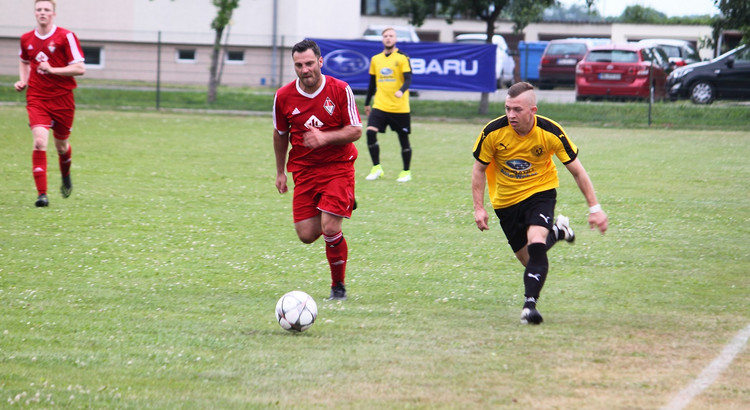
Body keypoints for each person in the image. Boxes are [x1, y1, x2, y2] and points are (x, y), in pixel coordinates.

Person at [471, 82, 608, 325]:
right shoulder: (492, 132)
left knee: (536, 245)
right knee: (528, 260)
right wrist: (479, 208)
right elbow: (479, 169)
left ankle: (529, 307)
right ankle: (558, 231)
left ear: (532, 110)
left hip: (540, 193)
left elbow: (577, 171)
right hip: (505, 202)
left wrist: (594, 208)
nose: (511, 115)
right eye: (507, 108)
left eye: (517, 110)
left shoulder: (550, 132)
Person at [272, 39, 362, 301]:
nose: (305, 69)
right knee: (306, 235)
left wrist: (324, 138)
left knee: (330, 227)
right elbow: (280, 134)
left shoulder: (340, 89)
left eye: (310, 63)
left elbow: (355, 130)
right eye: (299, 65)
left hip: (338, 167)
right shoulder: (283, 96)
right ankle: (341, 202)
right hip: (304, 171)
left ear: (320, 62)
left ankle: (338, 288)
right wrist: (280, 171)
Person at [15, 0, 85, 207]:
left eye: (46, 10)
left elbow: (80, 68)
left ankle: (65, 174)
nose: (42, 13)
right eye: (39, 10)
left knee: (61, 146)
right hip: (37, 97)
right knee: (39, 142)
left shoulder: (66, 37)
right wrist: (23, 81)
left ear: (53, 14)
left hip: (63, 98)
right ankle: (42, 195)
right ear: (35, 13)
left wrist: (53, 70)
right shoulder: (26, 38)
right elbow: (24, 60)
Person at [363, 27, 413, 182]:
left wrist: (402, 90)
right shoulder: (375, 59)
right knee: (370, 132)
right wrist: (367, 102)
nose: (388, 38)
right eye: (385, 36)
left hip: (400, 107)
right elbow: (372, 83)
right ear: (382, 39)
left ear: (395, 39)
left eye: (391, 36)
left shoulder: (403, 57)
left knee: (403, 138)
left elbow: (409, 79)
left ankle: (406, 172)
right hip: (380, 105)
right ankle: (376, 167)